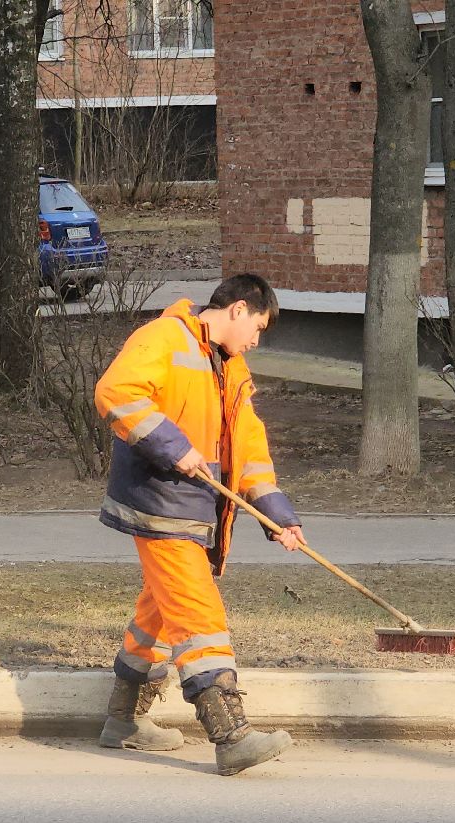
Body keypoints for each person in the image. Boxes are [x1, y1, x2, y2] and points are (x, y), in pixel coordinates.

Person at [93, 273, 303, 776]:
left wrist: (277, 516)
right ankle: (230, 736)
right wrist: (173, 446)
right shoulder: (164, 338)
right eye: (258, 326)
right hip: (159, 500)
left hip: (197, 506)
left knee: (160, 612)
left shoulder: (232, 369)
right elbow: (116, 392)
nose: (257, 338)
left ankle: (123, 720)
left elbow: (249, 448)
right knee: (197, 612)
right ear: (238, 309)